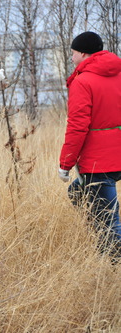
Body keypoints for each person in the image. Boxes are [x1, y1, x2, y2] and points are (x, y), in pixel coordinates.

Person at [58, 31, 121, 260]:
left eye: (73, 53)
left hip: (98, 161)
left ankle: (112, 265)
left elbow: (77, 126)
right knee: (77, 192)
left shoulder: (83, 81)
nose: (72, 58)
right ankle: (101, 248)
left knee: (109, 223)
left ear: (83, 53)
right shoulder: (119, 73)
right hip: (116, 157)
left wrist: (65, 164)